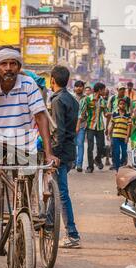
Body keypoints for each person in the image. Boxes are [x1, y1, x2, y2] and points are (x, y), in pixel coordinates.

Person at [0, 46, 59, 232]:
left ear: (18, 66)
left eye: (13, 63)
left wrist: (49, 153)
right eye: (3, 64)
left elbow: (40, 117)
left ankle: (23, 223)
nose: (8, 68)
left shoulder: (28, 84)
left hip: (25, 142)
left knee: (23, 196)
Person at [50, 66, 81, 248]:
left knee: (61, 193)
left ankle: (72, 234)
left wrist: (54, 154)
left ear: (52, 80)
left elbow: (59, 131)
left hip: (61, 153)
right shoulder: (71, 99)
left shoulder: (58, 100)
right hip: (69, 151)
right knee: (54, 189)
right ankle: (47, 224)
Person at [78, 82, 107, 173]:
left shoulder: (103, 101)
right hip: (90, 126)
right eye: (103, 90)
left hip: (100, 126)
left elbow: (106, 113)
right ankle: (90, 166)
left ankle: (98, 159)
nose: (105, 91)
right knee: (90, 147)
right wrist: (78, 126)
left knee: (101, 146)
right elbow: (81, 113)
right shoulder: (86, 99)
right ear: (99, 90)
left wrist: (109, 115)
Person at [108, 98, 132, 171]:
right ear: (118, 105)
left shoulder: (128, 115)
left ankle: (121, 164)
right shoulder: (115, 114)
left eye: (123, 104)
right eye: (120, 104)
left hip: (124, 137)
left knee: (124, 153)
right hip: (115, 136)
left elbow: (129, 126)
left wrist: (127, 137)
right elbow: (112, 125)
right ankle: (117, 168)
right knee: (117, 152)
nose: (122, 105)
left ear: (126, 105)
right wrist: (109, 134)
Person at [72, 80, 86, 172]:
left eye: (80, 86)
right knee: (73, 144)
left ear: (83, 88)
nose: (78, 88)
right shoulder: (71, 98)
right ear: (74, 88)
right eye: (77, 86)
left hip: (82, 125)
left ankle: (79, 164)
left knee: (80, 144)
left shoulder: (86, 99)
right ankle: (73, 162)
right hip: (72, 124)